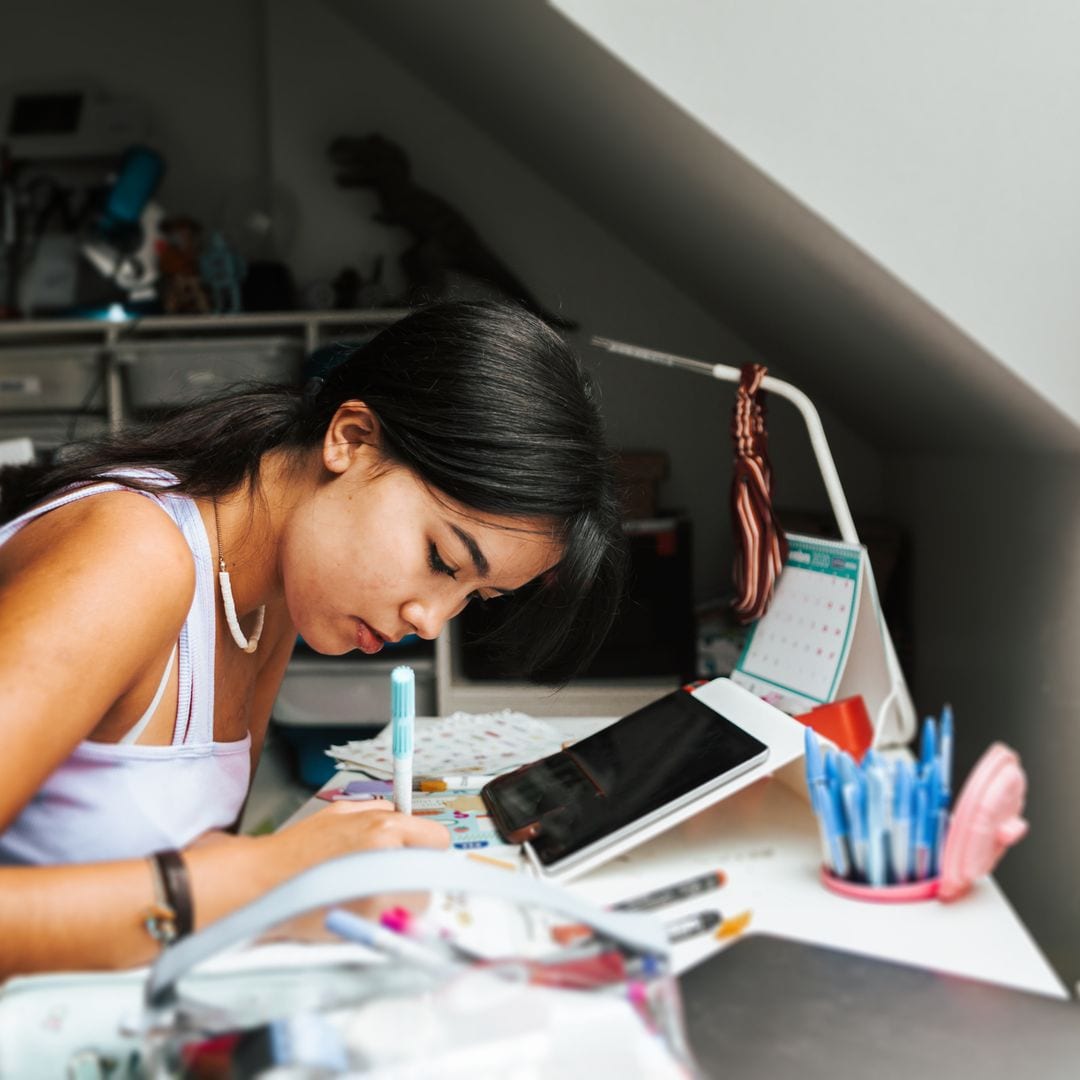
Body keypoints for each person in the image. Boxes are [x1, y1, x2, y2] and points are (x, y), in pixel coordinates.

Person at [0, 300, 625, 976]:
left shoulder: (268, 597)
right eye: (442, 560)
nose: (430, 619)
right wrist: (264, 879)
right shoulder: (130, 557)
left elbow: (195, 857)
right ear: (350, 439)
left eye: (474, 597)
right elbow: (214, 879)